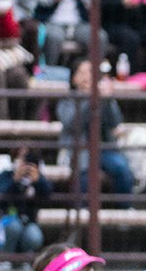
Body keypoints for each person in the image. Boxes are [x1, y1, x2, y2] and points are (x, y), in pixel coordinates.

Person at [58, 57, 136, 198]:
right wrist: (92, 100)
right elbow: (73, 124)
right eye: (82, 73)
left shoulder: (102, 98)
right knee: (84, 177)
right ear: (73, 78)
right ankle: (83, 214)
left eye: (90, 72)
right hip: (78, 149)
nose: (87, 77)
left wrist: (107, 99)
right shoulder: (67, 101)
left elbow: (115, 122)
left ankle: (123, 212)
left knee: (123, 171)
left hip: (103, 149)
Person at [0, 146, 52, 254]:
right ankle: (5, 259)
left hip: (27, 224)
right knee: (14, 227)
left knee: (34, 235)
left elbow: (47, 199)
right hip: (1, 224)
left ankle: (25, 260)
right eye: (23, 159)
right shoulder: (5, 176)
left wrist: (37, 182)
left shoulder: (38, 180)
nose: (26, 164)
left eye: (29, 159)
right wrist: (15, 180)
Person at [103, 0, 146, 75]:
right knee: (130, 39)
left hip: (139, 23)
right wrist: (121, 2)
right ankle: (131, 78)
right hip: (114, 23)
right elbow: (101, 5)